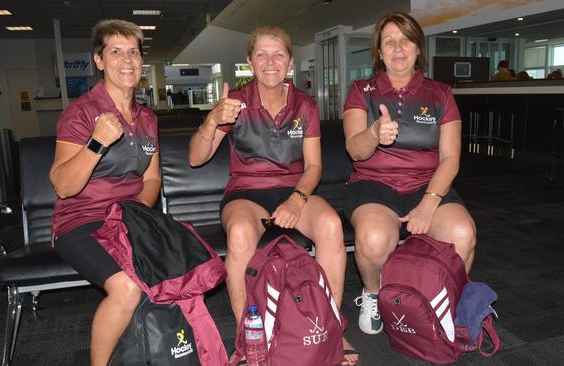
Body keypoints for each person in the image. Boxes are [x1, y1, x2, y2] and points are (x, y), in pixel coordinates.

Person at [188, 26, 358, 366]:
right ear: (249, 61)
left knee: (330, 225)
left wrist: (296, 199)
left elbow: (314, 167)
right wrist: (212, 119)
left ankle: (329, 325)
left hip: (295, 189)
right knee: (239, 234)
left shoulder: (305, 104)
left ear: (290, 62)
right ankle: (247, 337)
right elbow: (196, 158)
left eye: (278, 54)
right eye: (262, 54)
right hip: (246, 193)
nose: (270, 62)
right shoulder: (234, 103)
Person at [342, 12, 476, 336]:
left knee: (463, 233)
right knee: (374, 239)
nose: (398, 48)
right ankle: (373, 294)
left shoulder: (441, 94)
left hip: (426, 185)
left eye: (405, 40)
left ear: (418, 48)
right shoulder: (362, 90)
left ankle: (446, 301)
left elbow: (450, 158)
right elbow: (355, 151)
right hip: (374, 185)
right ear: (379, 51)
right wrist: (374, 132)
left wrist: (429, 203)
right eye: (389, 41)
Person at [49, 20, 161, 366]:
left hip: (127, 219)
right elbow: (64, 186)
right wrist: (97, 143)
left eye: (133, 52)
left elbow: (152, 179)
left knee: (180, 268)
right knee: (127, 288)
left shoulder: (147, 118)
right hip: (80, 222)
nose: (126, 60)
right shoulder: (80, 113)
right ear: (99, 60)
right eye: (115, 51)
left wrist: (135, 216)